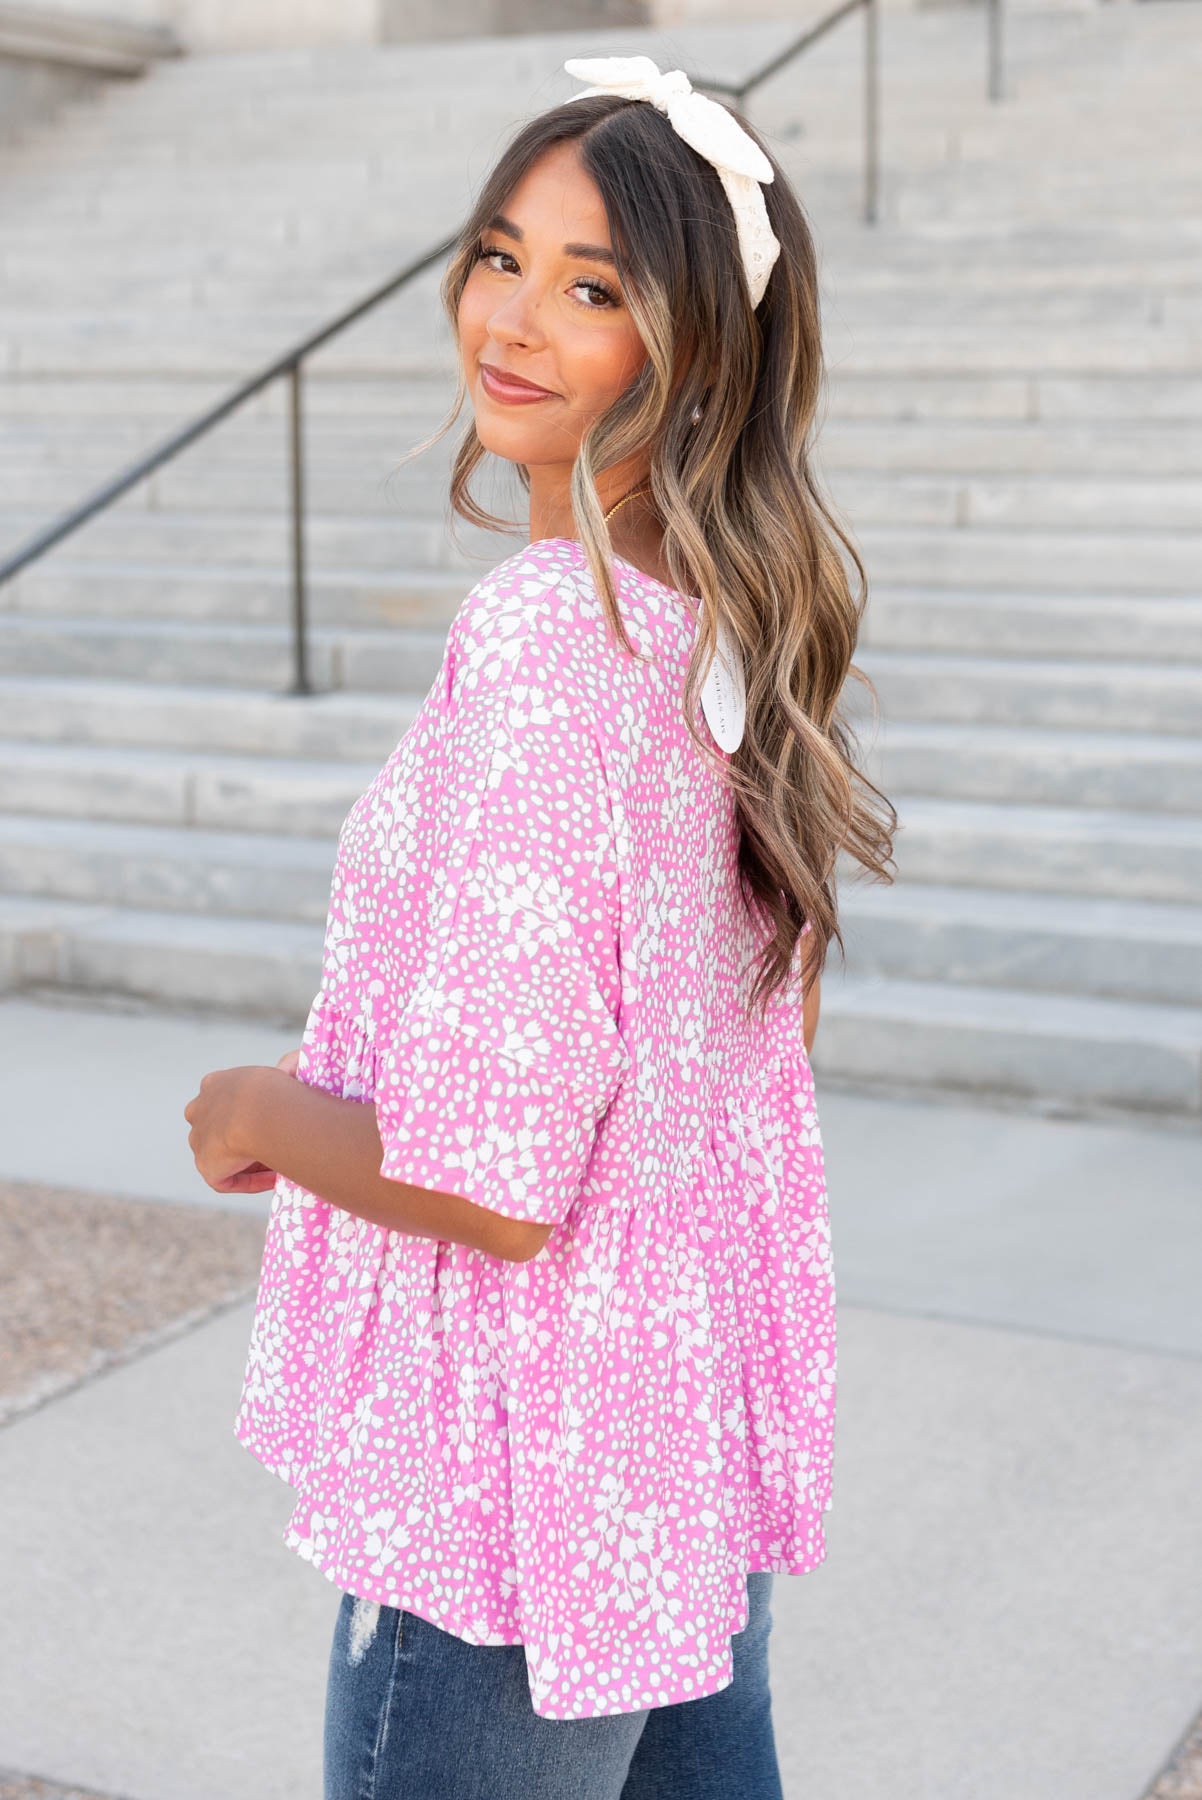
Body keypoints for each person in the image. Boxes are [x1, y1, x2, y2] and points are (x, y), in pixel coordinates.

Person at [184, 50, 895, 1800]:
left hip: (507, 1491)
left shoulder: (547, 644)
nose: (508, 319)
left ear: (693, 347)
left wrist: (256, 1113)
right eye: (500, 256)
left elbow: (494, 1185)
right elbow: (733, 1057)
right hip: (663, 1466)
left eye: (594, 288)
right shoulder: (718, 639)